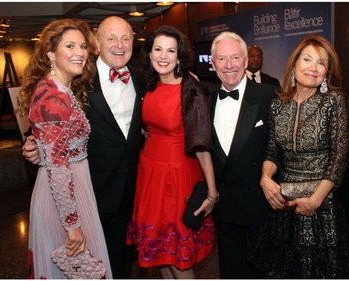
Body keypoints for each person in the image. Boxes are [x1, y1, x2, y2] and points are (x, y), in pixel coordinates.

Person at [22, 16, 144, 278]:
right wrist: (33, 143)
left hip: (128, 188)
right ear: (98, 45)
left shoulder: (141, 78)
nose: (119, 45)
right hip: (86, 191)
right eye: (111, 38)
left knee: (119, 262)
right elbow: (46, 125)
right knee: (81, 266)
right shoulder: (79, 80)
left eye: (126, 38)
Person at [16, 19, 112, 278]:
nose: (79, 52)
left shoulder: (62, 89)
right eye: (70, 46)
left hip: (73, 188)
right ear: (50, 53)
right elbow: (58, 168)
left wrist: (36, 142)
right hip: (63, 196)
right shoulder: (52, 97)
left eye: (82, 46)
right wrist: (72, 226)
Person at [250, 34, 349, 278]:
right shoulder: (278, 105)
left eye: (321, 63)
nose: (313, 68)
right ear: (294, 64)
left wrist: (315, 200)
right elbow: (272, 151)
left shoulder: (334, 102)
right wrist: (265, 178)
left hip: (321, 204)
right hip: (284, 204)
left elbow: (339, 158)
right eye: (307, 59)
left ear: (327, 72)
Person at [126, 25, 218, 279]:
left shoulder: (191, 89)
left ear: (179, 56)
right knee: (161, 256)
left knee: (179, 258)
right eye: (158, 49)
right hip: (150, 173)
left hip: (177, 175)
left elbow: (201, 144)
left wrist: (211, 191)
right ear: (149, 53)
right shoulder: (150, 85)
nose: (163, 56)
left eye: (170, 51)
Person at [209, 31, 278, 278]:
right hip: (224, 203)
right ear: (213, 63)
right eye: (222, 59)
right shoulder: (205, 99)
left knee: (265, 269)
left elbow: (279, 147)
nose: (229, 65)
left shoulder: (269, 95)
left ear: (246, 61)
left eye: (235, 58)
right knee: (230, 267)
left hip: (260, 202)